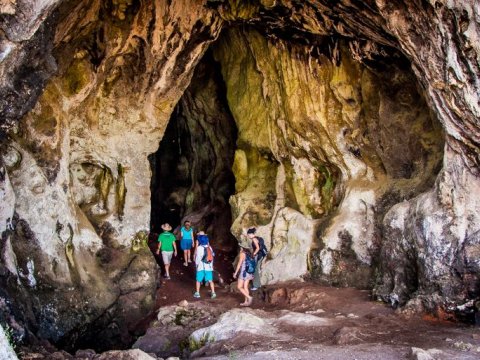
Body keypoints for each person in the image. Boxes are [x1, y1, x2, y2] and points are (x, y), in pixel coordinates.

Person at [193, 233, 216, 299]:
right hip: (209, 267)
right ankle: (213, 292)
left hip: (201, 267)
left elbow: (198, 259)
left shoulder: (199, 248)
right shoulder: (209, 247)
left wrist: (196, 265)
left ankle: (197, 293)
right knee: (210, 280)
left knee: (198, 280)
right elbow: (212, 257)